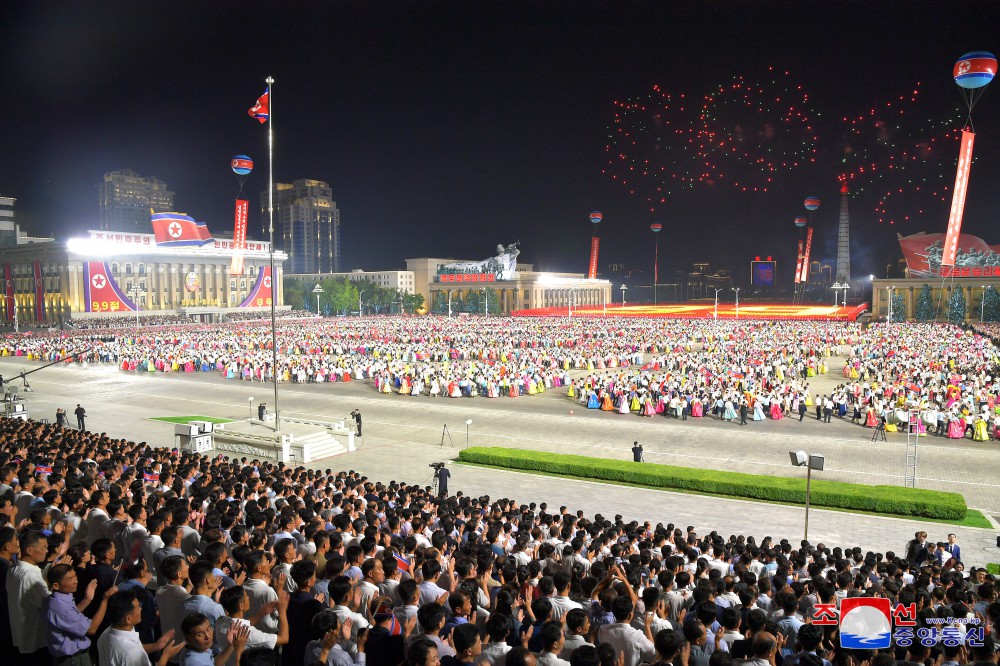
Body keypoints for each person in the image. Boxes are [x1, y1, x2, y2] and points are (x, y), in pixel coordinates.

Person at [45, 563, 118, 666]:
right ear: (56, 585)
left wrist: (87, 599)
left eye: (75, 576)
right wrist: (105, 599)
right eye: (70, 578)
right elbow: (91, 629)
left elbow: (71, 616)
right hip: (74, 659)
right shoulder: (61, 607)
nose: (76, 581)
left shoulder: (58, 598)